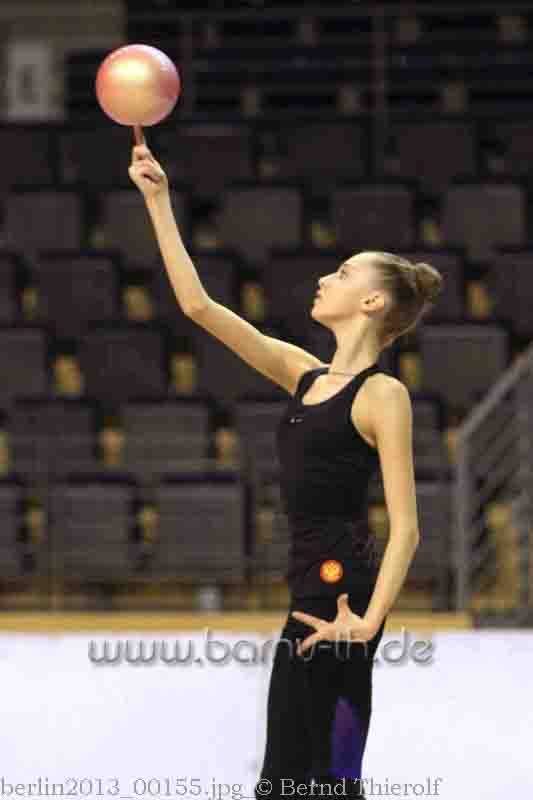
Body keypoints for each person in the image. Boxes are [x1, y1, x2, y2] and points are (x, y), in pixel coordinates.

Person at [129, 142, 444, 798]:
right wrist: (158, 201)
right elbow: (199, 307)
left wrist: (368, 622)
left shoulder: (382, 395)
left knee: (318, 780)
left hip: (341, 599)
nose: (326, 278)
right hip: (309, 595)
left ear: (372, 303)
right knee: (298, 781)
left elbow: (407, 528)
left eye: (343, 272)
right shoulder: (303, 373)